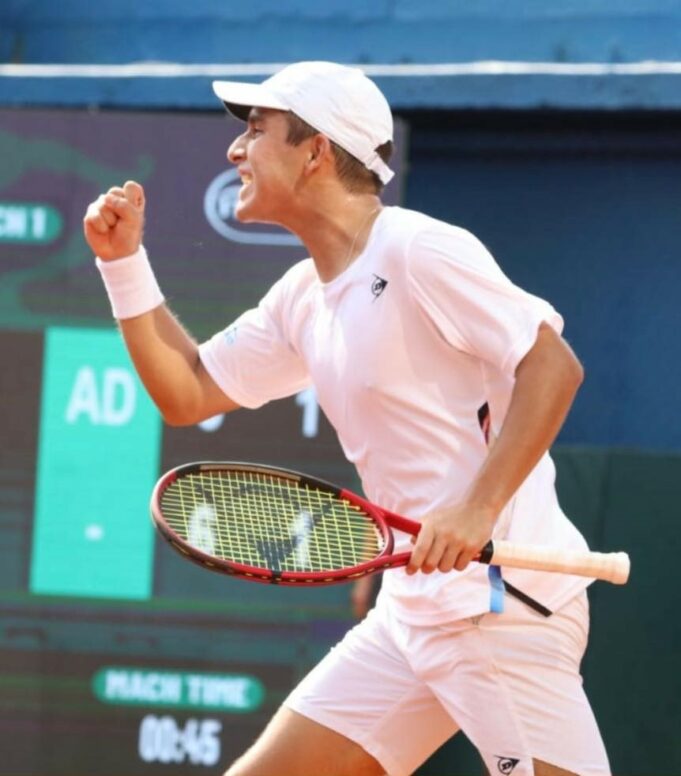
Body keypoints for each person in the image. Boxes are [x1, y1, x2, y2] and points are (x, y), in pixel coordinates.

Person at [84, 61, 610, 776]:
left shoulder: (417, 249)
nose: (235, 150)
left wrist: (476, 509)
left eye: (256, 131)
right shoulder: (301, 297)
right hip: (411, 614)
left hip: (498, 611)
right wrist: (123, 264)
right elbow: (189, 391)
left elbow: (553, 366)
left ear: (315, 152)